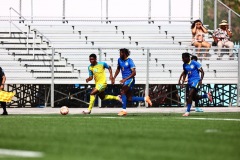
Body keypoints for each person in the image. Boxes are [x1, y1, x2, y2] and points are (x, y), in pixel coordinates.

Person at [113, 48, 152, 116]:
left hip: (130, 80)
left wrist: (125, 79)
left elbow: (134, 73)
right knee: (129, 98)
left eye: (121, 53)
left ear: (124, 54)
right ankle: (146, 98)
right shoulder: (119, 60)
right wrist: (114, 77)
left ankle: (124, 110)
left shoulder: (130, 61)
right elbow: (118, 69)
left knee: (122, 91)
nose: (119, 54)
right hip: (125, 80)